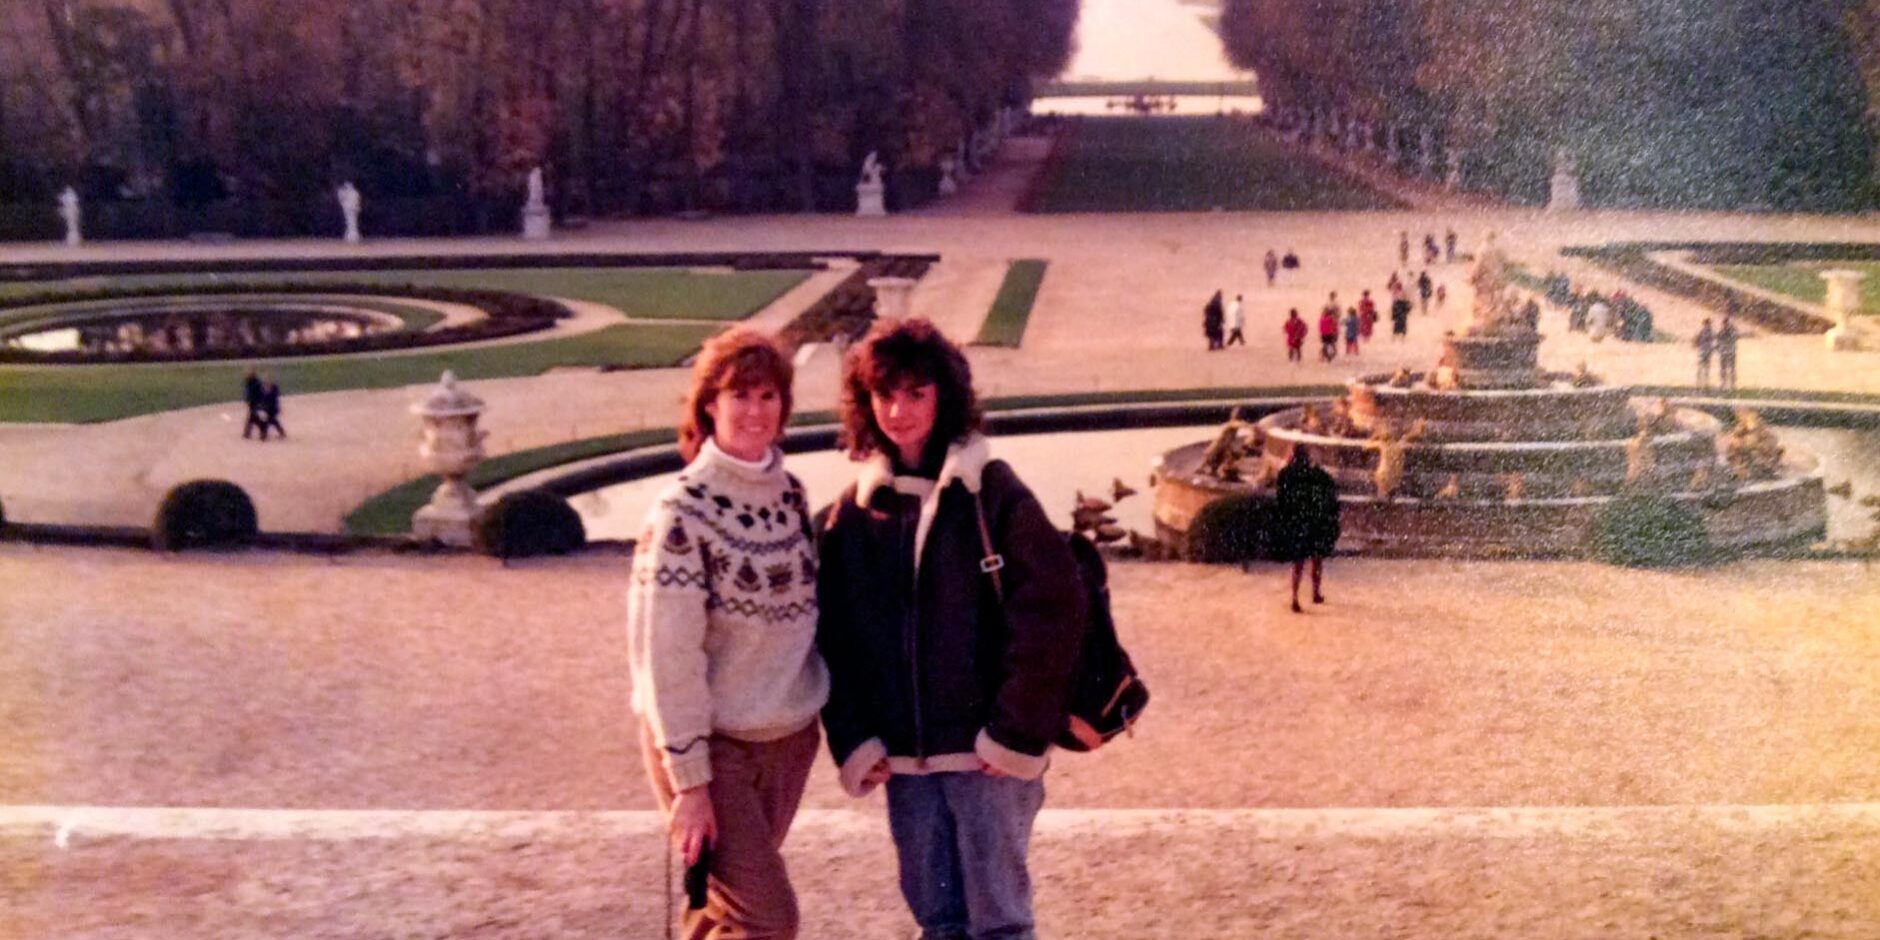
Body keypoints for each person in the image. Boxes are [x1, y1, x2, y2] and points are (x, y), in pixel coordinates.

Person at [817, 318, 1087, 940]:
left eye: (916, 393)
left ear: (945, 395)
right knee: (938, 922)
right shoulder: (855, 513)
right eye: (885, 394)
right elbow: (834, 640)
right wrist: (855, 738)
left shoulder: (993, 492)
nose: (899, 410)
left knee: (999, 924)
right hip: (905, 763)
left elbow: (1054, 612)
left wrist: (1014, 734)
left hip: (984, 755)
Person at [627, 328, 829, 940]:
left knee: (722, 913)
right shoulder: (682, 513)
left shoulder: (792, 497)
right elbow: (666, 660)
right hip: (713, 752)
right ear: (709, 406)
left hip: (788, 741)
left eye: (768, 396)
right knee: (769, 919)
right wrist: (689, 784)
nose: (754, 411)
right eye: (739, 395)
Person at [1272, 446, 1340, 613]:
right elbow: (1331, 493)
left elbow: (1281, 499)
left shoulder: (1286, 475)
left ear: (1292, 456)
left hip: (1298, 522)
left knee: (1298, 563)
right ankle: (1316, 593)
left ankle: (1295, 598)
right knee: (1317, 559)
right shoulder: (1317, 474)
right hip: (1315, 522)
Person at [241, 368, 268, 440]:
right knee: (252, 418)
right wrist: (247, 399)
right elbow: (247, 392)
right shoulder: (248, 382)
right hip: (252, 402)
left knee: (253, 418)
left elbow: (260, 394)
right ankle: (248, 433)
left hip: (256, 402)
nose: (246, 374)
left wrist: (259, 403)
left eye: (248, 373)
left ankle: (261, 430)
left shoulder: (257, 383)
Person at [258, 376, 286, 440]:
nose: (266, 384)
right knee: (271, 420)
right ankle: (281, 432)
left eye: (267, 382)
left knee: (269, 420)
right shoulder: (263, 390)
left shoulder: (274, 389)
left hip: (273, 409)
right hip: (267, 409)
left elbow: (274, 401)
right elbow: (262, 400)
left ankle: (264, 434)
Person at [1718, 315, 1739, 389]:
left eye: (1726, 323)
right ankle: (1723, 383)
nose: (1725, 325)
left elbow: (1736, 337)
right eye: (1725, 324)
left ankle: (1732, 384)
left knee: (1731, 368)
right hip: (1726, 351)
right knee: (1724, 368)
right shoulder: (1722, 332)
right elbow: (1719, 341)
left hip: (1730, 351)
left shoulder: (1731, 331)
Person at [1694, 318, 1716, 389]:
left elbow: (1697, 341)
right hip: (1704, 351)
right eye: (1708, 324)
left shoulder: (1707, 332)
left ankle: (1704, 383)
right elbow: (1697, 341)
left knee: (1705, 367)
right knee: (1702, 367)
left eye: (1708, 324)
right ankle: (1700, 382)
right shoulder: (1706, 332)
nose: (1708, 325)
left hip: (1706, 351)